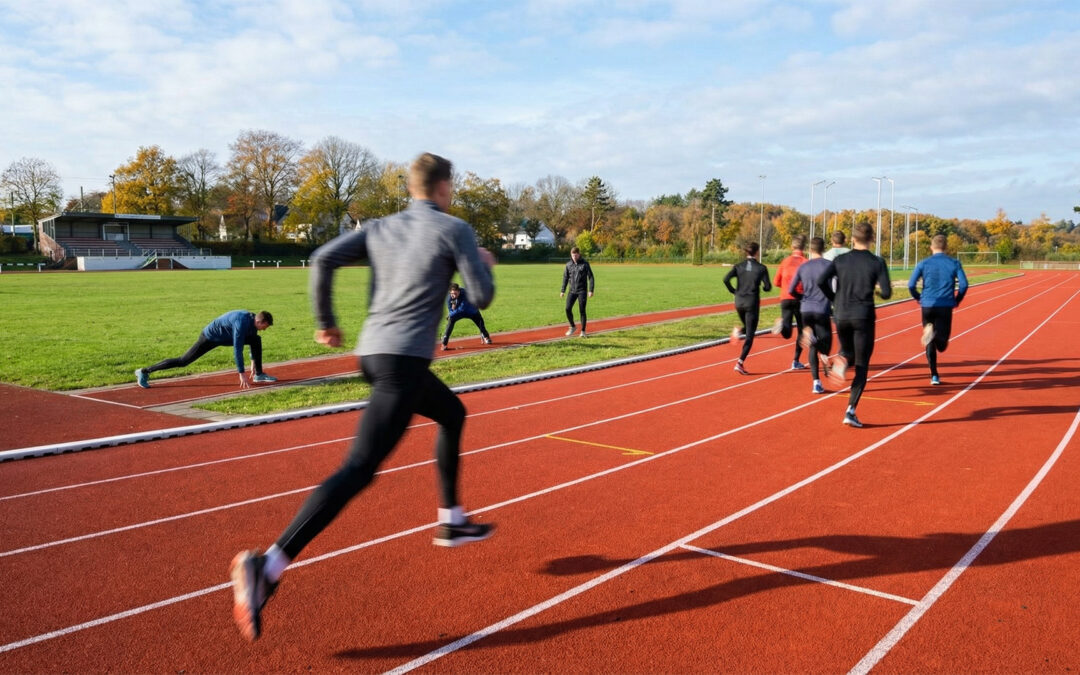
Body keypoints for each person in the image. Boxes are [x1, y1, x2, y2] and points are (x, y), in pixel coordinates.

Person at [229, 153, 496, 642]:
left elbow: (323, 258)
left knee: (452, 413)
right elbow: (479, 299)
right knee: (358, 470)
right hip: (403, 363)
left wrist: (324, 320)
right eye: (451, 187)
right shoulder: (454, 228)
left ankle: (451, 519)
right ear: (442, 187)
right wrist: (482, 264)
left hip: (374, 355)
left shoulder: (381, 227)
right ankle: (267, 565)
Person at [818, 222, 891, 427]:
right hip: (863, 316)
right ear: (872, 239)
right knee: (862, 366)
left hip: (841, 314)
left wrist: (834, 298)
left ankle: (841, 361)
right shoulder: (877, 262)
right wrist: (875, 289)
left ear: (852, 239)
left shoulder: (840, 259)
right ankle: (850, 410)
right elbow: (886, 293)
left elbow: (821, 282)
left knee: (847, 351)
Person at [134, 310, 276, 389]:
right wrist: (241, 373)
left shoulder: (252, 321)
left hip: (224, 337)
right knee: (183, 361)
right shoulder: (241, 323)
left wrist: (253, 360)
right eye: (266, 326)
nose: (265, 329)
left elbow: (253, 338)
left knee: (256, 340)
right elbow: (237, 349)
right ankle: (144, 371)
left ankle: (259, 374)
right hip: (209, 337)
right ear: (259, 322)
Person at [908, 234, 968, 385]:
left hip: (927, 305)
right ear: (946, 247)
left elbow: (911, 285)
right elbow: (964, 285)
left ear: (931, 247)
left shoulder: (923, 263)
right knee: (942, 345)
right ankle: (933, 336)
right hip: (945, 305)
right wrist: (957, 299)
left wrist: (918, 297)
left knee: (930, 343)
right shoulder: (954, 263)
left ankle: (934, 375)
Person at [789, 237, 834, 394]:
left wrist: (802, 298)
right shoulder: (829, 265)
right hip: (822, 309)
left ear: (810, 249)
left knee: (813, 347)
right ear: (824, 249)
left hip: (806, 309)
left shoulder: (803, 266)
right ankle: (822, 351)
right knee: (826, 342)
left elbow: (791, 289)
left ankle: (816, 382)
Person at [723, 242, 772, 375]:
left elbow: (725, 279)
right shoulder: (761, 268)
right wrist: (763, 287)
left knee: (747, 328)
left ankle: (738, 331)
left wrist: (734, 291)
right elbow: (768, 287)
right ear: (757, 252)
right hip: (751, 303)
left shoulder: (739, 266)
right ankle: (740, 363)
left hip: (739, 302)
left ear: (747, 253)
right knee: (750, 335)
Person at [771, 234, 808, 370]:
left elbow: (776, 281)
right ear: (804, 247)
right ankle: (795, 360)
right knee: (802, 331)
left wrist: (786, 287)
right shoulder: (805, 262)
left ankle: (783, 324)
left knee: (787, 334)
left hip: (785, 297)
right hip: (800, 298)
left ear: (792, 247)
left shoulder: (785, 261)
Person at [442, 282, 492, 350]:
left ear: (459, 291)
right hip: (459, 312)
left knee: (480, 322)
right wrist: (451, 314)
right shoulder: (449, 298)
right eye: (451, 293)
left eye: (455, 293)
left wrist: (451, 314)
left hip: (471, 311)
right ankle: (444, 343)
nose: (453, 295)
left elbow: (462, 309)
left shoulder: (465, 294)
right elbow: (450, 309)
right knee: (451, 320)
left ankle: (486, 336)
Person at [560, 246, 595, 337]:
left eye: (576, 255)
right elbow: (565, 278)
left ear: (579, 254)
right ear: (571, 255)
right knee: (567, 309)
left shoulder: (585, 264)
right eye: (573, 255)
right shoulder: (568, 265)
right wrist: (562, 290)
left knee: (582, 310)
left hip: (582, 291)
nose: (574, 257)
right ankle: (572, 326)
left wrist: (591, 290)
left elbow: (591, 277)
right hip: (572, 291)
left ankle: (583, 331)